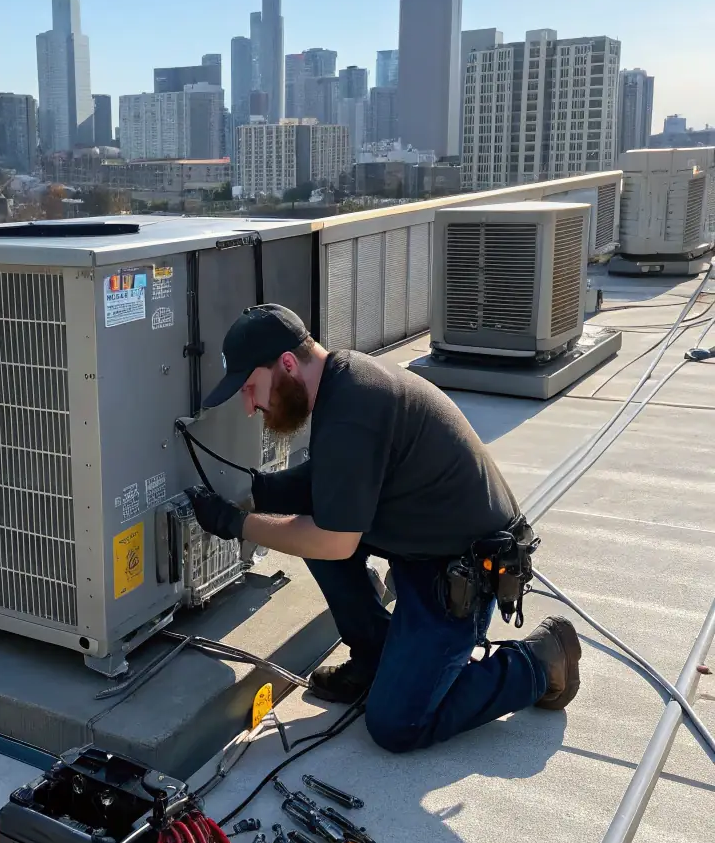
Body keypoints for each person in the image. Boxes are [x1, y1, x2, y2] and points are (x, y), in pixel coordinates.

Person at [187, 303, 581, 755]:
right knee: (312, 528)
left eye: (251, 387)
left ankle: (539, 661)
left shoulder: (353, 409)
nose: (250, 404)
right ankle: (375, 658)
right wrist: (255, 493)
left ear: (288, 365)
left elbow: (334, 541)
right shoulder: (344, 381)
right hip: (426, 546)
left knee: (397, 725)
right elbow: (327, 483)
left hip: (461, 575)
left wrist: (236, 523)